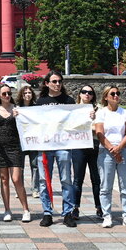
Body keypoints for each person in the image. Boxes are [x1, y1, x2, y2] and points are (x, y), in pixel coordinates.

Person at [36, 71, 77, 227]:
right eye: (54, 81)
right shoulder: (40, 102)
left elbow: (76, 120)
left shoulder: (69, 101)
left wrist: (89, 116)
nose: (57, 84)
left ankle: (67, 213)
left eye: (60, 81)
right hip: (45, 146)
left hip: (63, 145)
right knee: (43, 180)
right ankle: (47, 212)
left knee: (66, 179)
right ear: (47, 83)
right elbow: (33, 122)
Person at [95, 85, 126, 228]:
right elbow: (99, 133)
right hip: (106, 151)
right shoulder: (102, 113)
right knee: (106, 186)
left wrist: (119, 148)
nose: (116, 96)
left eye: (117, 93)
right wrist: (112, 149)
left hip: (123, 149)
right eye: (112, 94)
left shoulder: (124, 112)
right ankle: (107, 215)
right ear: (106, 97)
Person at [0, 84, 31, 222]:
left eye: (9, 93)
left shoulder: (17, 109)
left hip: (15, 147)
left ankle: (26, 209)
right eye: (4, 94)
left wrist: (20, 117)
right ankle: (7, 209)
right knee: (4, 180)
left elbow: (27, 126)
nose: (7, 96)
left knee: (16, 179)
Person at [72, 84, 102, 220]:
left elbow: (101, 128)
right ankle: (75, 207)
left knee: (96, 179)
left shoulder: (99, 109)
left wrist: (94, 119)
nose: (87, 94)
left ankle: (99, 207)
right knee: (78, 178)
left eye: (90, 92)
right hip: (79, 146)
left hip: (94, 145)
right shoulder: (73, 109)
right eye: (84, 92)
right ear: (79, 94)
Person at [17, 84, 40, 198]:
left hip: (33, 140)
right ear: (21, 95)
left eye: (29, 93)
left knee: (35, 165)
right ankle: (19, 189)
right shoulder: (17, 108)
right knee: (20, 166)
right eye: (25, 93)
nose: (27, 95)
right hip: (20, 140)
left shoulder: (37, 108)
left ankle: (35, 189)